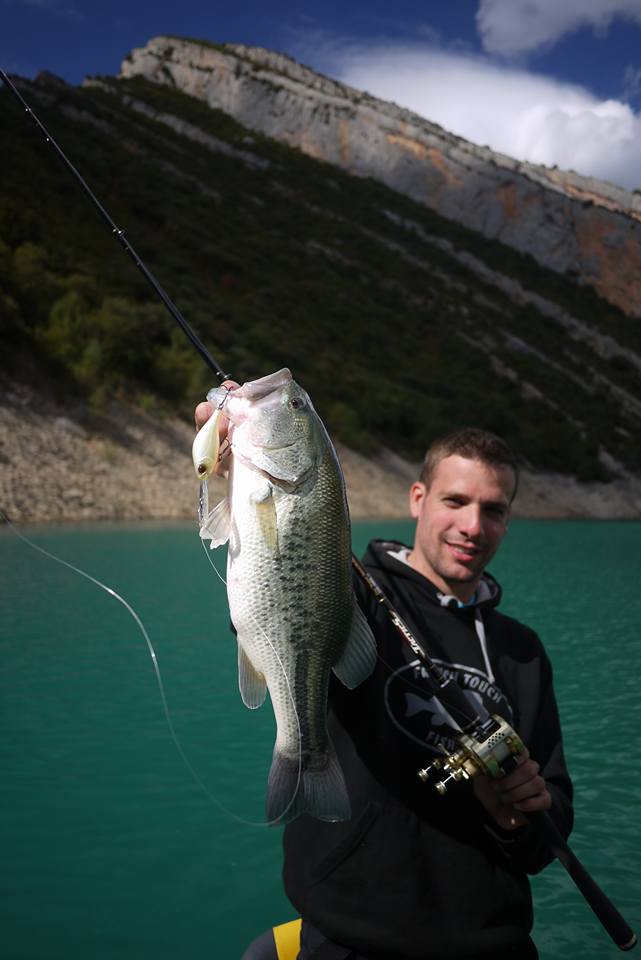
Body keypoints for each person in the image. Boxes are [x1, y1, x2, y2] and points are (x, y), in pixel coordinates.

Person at [194, 397, 573, 960]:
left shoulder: (522, 652)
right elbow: (275, 564)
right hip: (349, 934)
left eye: (493, 510)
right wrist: (225, 473)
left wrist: (518, 815)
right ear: (417, 499)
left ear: (508, 520)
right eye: (456, 501)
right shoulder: (358, 592)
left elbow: (551, 827)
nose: (473, 526)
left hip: (489, 942)